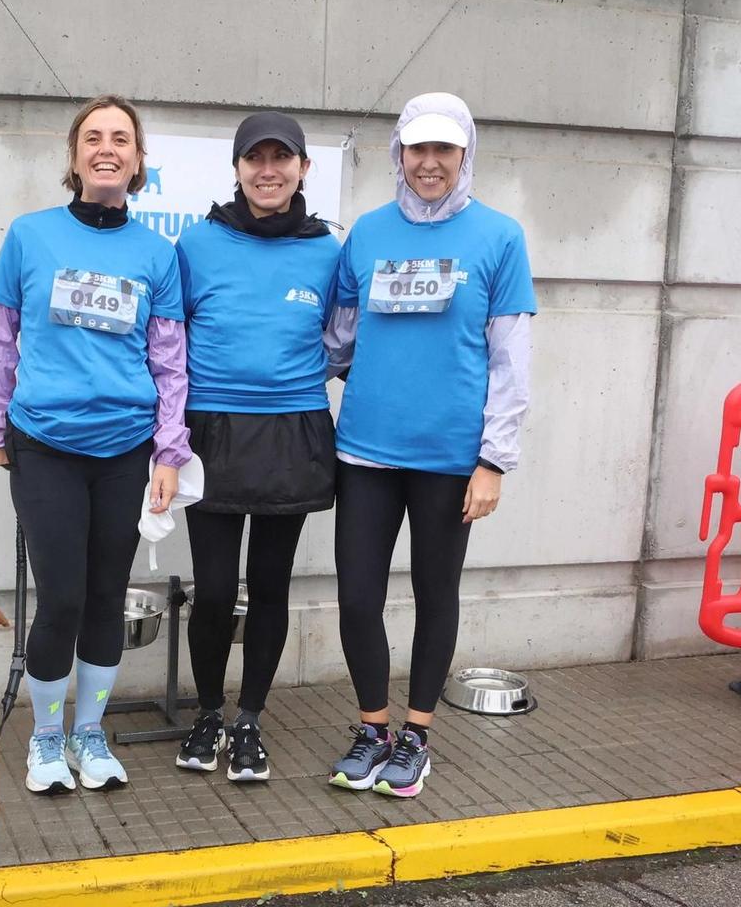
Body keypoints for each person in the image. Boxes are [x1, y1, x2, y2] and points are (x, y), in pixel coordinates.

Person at [322, 92, 536, 799]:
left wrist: (494, 460)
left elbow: (510, 361)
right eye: (419, 149)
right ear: (400, 154)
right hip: (366, 451)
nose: (431, 163)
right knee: (358, 597)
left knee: (434, 593)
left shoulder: (499, 239)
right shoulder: (368, 234)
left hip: (451, 460)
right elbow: (338, 338)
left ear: (465, 153)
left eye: (446, 149)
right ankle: (372, 727)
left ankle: (418, 734)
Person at [0, 95, 190, 794]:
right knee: (62, 597)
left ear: (138, 162)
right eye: (93, 137)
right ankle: (45, 741)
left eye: (121, 139)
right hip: (45, 445)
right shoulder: (29, 236)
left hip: (126, 448)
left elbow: (168, 361)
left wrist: (168, 451)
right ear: (73, 157)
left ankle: (90, 734)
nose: (107, 148)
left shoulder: (158, 254)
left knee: (106, 597)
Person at [170, 112, 341, 783]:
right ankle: (209, 710)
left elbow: (349, 336)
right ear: (237, 169)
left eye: (282, 157)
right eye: (254, 158)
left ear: (303, 168)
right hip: (211, 432)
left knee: (270, 585)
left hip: (293, 432)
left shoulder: (329, 250)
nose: (268, 170)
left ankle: (250, 720)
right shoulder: (196, 244)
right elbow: (167, 341)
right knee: (213, 590)